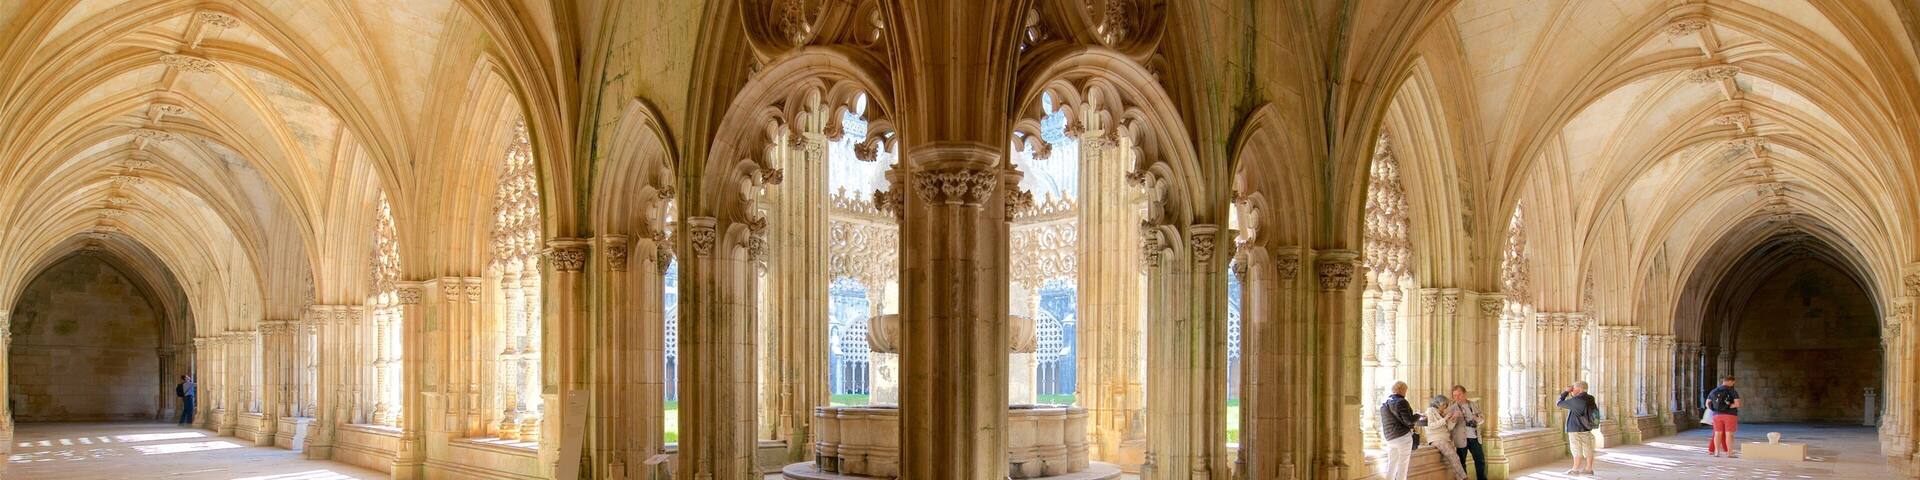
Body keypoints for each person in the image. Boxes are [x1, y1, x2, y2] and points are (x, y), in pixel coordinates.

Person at [1379, 381, 1420, 480]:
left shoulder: (1384, 404)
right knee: (1403, 466)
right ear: (1401, 390)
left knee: (1391, 464)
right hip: (1402, 437)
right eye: (1405, 391)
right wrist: (1418, 415)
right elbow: (1409, 421)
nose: (1406, 393)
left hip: (1390, 438)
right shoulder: (1401, 401)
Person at [1557, 381, 1599, 476]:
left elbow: (1559, 403)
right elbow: (1579, 405)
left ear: (1579, 389)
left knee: (1576, 450)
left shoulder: (1576, 400)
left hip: (1575, 428)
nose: (1572, 389)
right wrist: (1573, 394)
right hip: (1586, 428)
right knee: (1588, 449)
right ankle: (1589, 469)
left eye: (1574, 388)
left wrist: (1566, 392)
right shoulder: (1590, 398)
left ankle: (1575, 470)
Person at [1423, 395, 1469, 480]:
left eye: (1446, 405)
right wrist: (1445, 419)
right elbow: (1431, 426)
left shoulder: (1442, 413)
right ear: (1438, 403)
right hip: (1436, 439)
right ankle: (1464, 478)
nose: (1445, 407)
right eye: (1444, 405)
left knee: (1454, 458)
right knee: (1454, 457)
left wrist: (1454, 419)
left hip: (1445, 439)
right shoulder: (1430, 411)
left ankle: (1460, 478)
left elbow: (1449, 427)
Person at [1449, 385, 1488, 480]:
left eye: (1459, 395)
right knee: (1461, 463)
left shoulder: (1474, 404)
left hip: (1475, 437)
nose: (1457, 397)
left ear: (1465, 394)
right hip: (1460, 439)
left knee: (1480, 460)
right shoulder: (1452, 408)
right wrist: (1454, 418)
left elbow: (1482, 419)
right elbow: (1449, 426)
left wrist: (1478, 419)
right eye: (1455, 395)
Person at [1706, 376, 1743, 457]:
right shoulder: (1732, 391)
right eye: (1733, 382)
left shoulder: (1713, 391)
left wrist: (1716, 409)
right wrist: (1727, 407)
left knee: (1717, 433)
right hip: (1730, 415)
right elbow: (1737, 404)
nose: (1733, 384)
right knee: (1729, 434)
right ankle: (1729, 453)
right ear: (1729, 381)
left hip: (1716, 415)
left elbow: (1707, 404)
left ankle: (1717, 452)